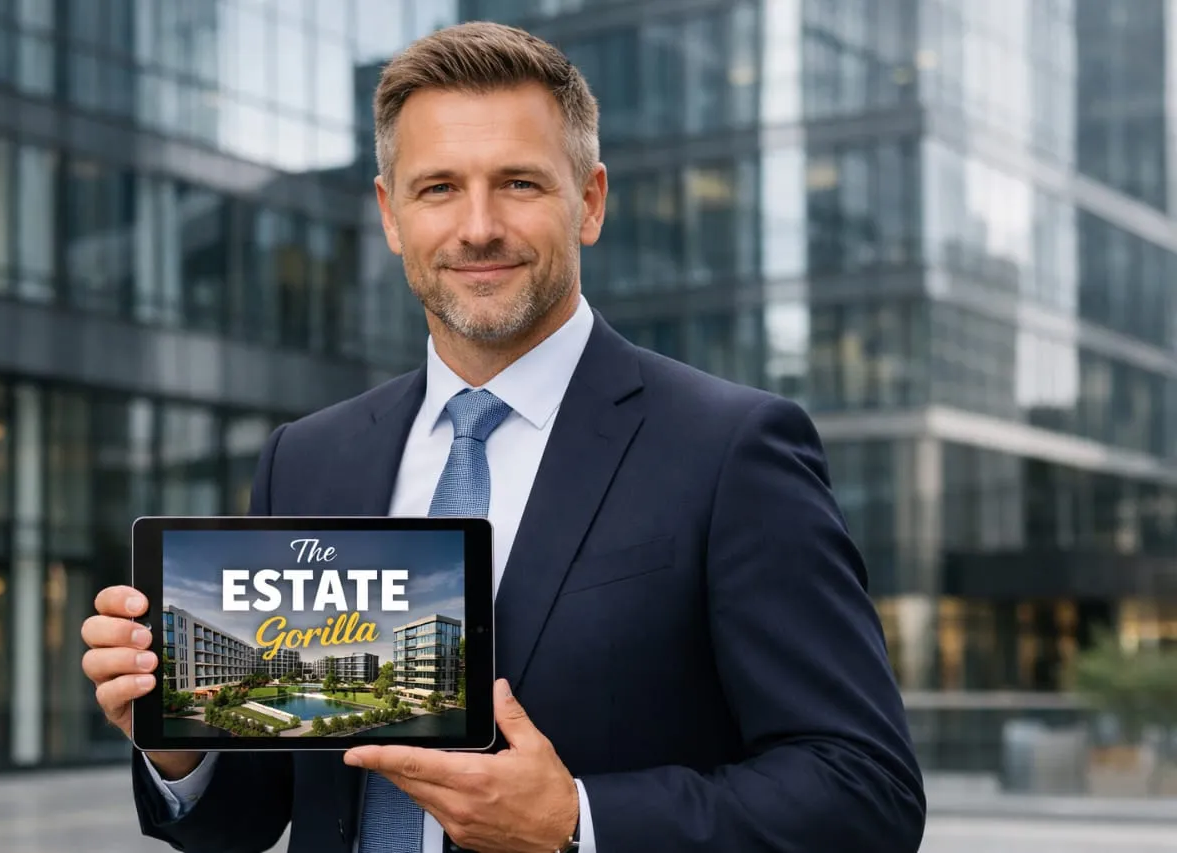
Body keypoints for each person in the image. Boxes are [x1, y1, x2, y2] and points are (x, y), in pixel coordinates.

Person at [82, 20, 926, 853]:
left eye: (519, 183)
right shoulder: (308, 457)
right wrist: (179, 742)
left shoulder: (732, 450)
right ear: (389, 213)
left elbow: (865, 789)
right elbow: (254, 814)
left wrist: (577, 822)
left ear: (589, 201)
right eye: (438, 187)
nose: (477, 226)